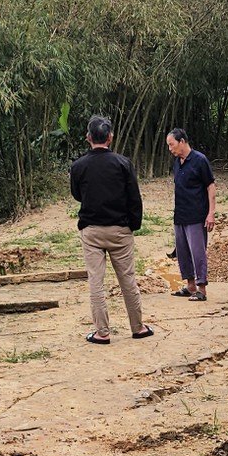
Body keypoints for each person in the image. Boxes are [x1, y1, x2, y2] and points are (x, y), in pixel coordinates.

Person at [69, 115, 153, 344]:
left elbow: (77, 195)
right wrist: (133, 225)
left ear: (88, 138)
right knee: (128, 280)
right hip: (120, 230)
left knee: (96, 282)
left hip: (92, 230)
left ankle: (102, 332)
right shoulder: (123, 163)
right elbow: (134, 198)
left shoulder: (78, 166)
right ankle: (138, 328)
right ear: (110, 137)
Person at [164, 128, 216, 301]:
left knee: (197, 252)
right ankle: (190, 285)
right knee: (183, 252)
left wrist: (211, 213)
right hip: (180, 214)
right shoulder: (177, 162)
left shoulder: (200, 160)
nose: (170, 149)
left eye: (172, 144)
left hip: (196, 214)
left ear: (182, 141)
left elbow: (211, 186)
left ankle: (202, 288)